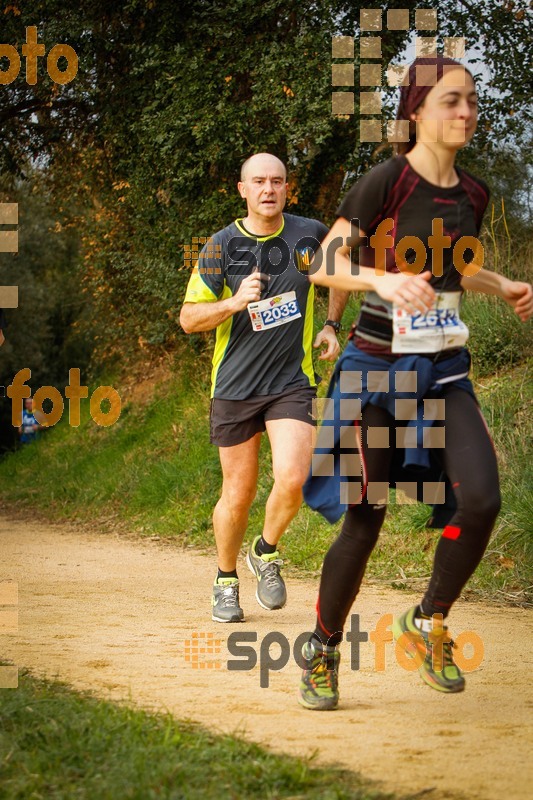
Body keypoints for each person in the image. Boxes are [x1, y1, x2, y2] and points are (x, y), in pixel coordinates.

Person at [297, 56, 533, 709]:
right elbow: (324, 263)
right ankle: (320, 650)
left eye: (470, 103)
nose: (465, 113)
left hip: (440, 371)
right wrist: (379, 278)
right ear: (416, 112)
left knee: (480, 499)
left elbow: (458, 267)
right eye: (451, 101)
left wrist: (502, 284)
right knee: (364, 518)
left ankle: (427, 620)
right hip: (375, 371)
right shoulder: (384, 183)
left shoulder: (473, 194)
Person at [180, 153, 348, 622]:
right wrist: (235, 302)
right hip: (234, 385)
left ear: (287, 188)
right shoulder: (221, 246)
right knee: (239, 493)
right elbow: (188, 317)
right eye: (259, 181)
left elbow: (339, 269)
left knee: (294, 477)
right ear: (242, 189)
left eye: (277, 181)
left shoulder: (309, 233)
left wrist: (332, 323)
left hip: (290, 381)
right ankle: (226, 579)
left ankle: (266, 551)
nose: (268, 189)